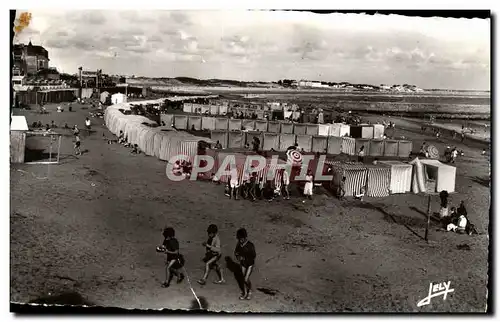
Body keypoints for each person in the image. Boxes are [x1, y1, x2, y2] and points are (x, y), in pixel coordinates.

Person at [234, 228, 256, 300]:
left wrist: (244, 258)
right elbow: (236, 252)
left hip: (250, 264)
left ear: (245, 237)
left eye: (241, 238)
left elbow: (253, 256)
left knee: (246, 279)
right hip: (243, 263)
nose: (240, 240)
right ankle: (245, 293)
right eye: (239, 238)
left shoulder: (250, 245)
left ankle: (250, 291)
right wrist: (238, 257)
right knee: (244, 279)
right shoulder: (239, 244)